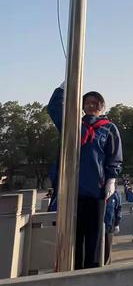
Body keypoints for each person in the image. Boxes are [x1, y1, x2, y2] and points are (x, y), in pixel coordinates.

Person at [47, 82, 123, 269]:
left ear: (102, 108)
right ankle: (74, 277)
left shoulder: (108, 128)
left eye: (96, 103)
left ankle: (91, 280)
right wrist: (63, 88)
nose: (92, 105)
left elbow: (115, 155)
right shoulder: (73, 124)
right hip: (71, 190)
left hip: (96, 191)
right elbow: (54, 108)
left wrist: (111, 179)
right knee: (73, 237)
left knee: (94, 237)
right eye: (88, 102)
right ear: (82, 106)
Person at [104, 190, 121, 265]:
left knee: (108, 247)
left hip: (110, 223)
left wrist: (117, 223)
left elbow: (119, 208)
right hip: (100, 223)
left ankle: (107, 263)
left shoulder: (116, 193)